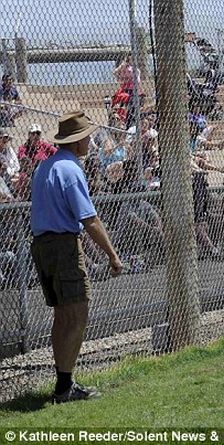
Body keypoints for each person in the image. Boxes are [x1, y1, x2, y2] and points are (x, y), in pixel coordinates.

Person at [30, 111, 123, 403]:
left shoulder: (44, 166)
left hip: (42, 245)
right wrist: (112, 255)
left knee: (62, 315)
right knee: (78, 314)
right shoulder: (71, 169)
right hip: (63, 246)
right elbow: (89, 219)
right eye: (86, 137)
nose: (89, 141)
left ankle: (63, 382)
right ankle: (64, 387)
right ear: (77, 140)